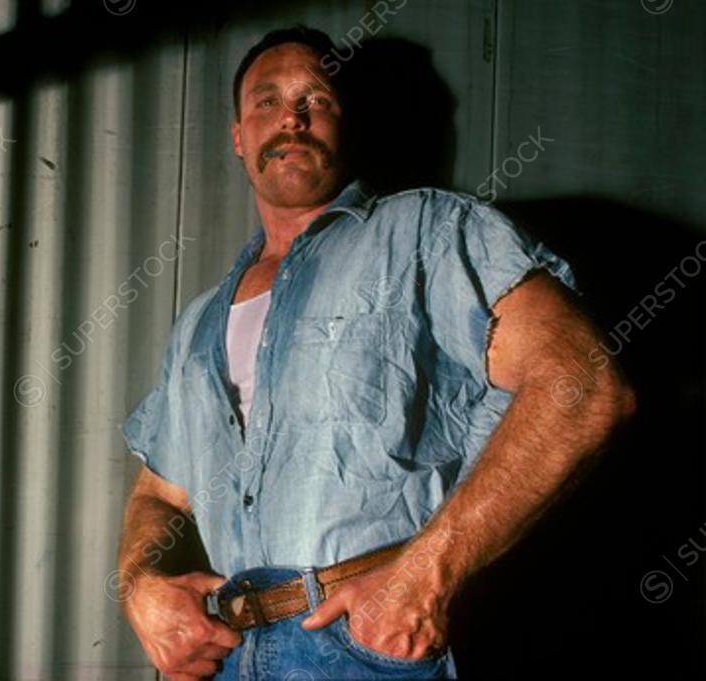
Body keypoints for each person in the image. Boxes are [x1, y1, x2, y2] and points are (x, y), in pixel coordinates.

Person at [116, 25, 636, 681]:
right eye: (267, 101)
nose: (292, 117)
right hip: (224, 655)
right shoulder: (197, 323)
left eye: (317, 99)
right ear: (239, 136)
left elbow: (583, 385)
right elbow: (160, 492)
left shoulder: (427, 232)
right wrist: (139, 586)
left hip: (365, 647)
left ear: (348, 123)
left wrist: (428, 573)